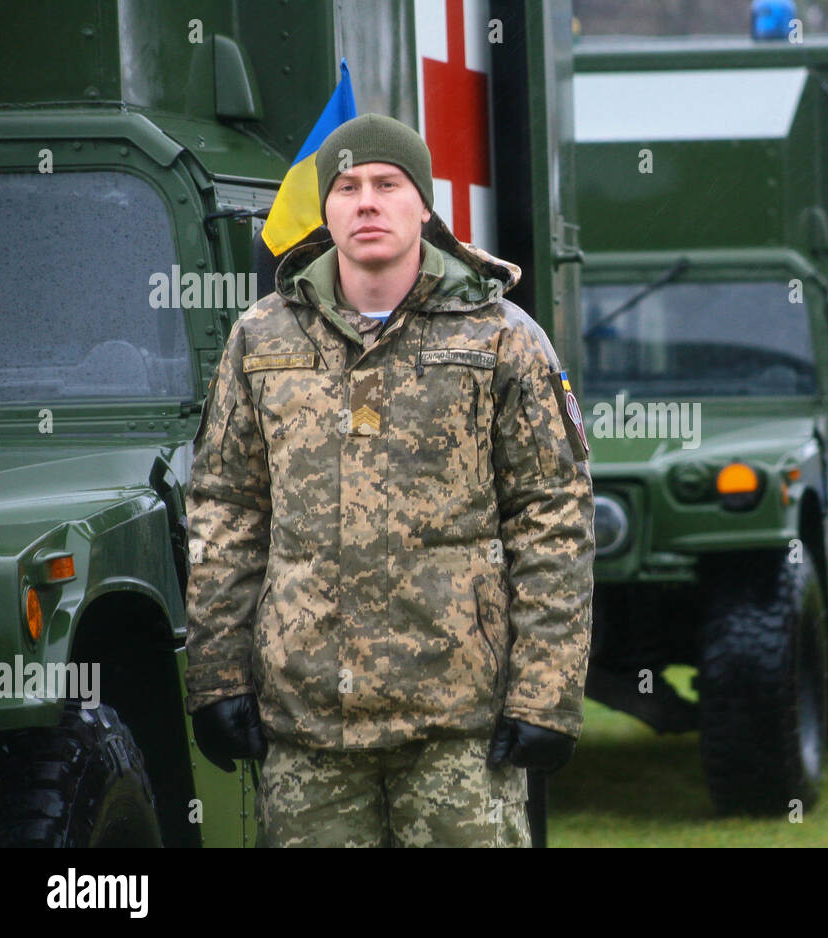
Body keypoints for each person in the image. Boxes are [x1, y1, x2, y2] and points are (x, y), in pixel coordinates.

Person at [182, 114, 595, 847]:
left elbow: (551, 518)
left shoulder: (501, 336)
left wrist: (546, 696)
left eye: (387, 184)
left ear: (424, 205)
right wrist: (217, 678)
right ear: (326, 207)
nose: (366, 202)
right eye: (346, 187)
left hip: (458, 725)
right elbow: (227, 511)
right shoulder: (262, 337)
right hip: (306, 721)